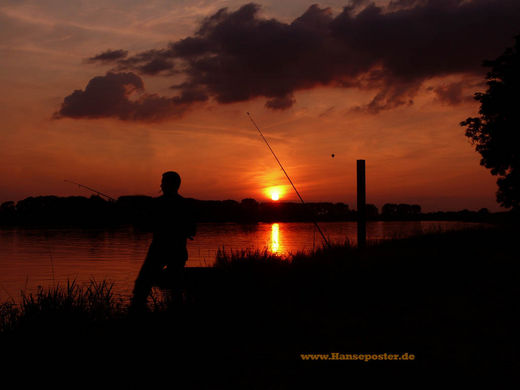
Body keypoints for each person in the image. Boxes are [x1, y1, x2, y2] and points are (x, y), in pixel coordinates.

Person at [130, 171, 196, 310]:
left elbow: (146, 226)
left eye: (163, 182)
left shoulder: (157, 204)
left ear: (171, 184)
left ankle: (137, 314)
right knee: (176, 289)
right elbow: (192, 230)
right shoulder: (185, 205)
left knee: (142, 285)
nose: (161, 184)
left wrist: (137, 220)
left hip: (158, 251)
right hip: (178, 252)